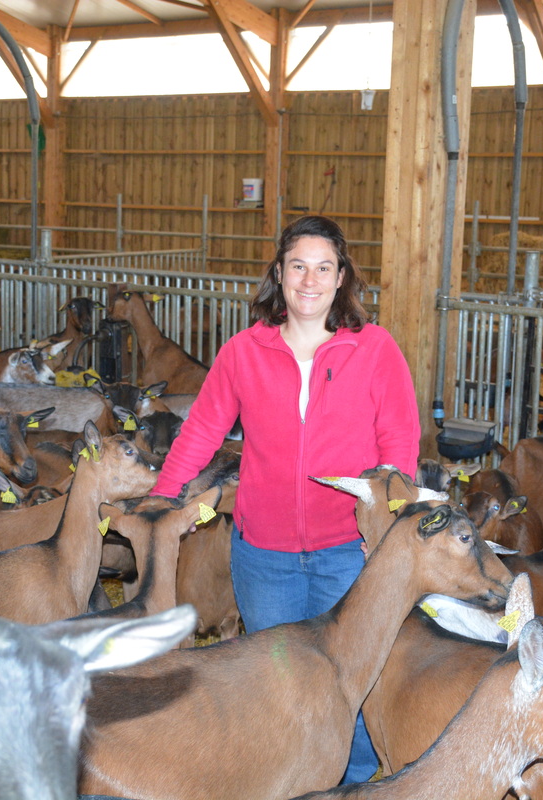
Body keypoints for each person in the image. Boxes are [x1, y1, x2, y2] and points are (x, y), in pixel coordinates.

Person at [149, 214, 420, 784]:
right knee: (278, 686)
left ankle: (349, 785)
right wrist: (163, 495)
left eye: (324, 268)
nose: (309, 280)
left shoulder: (373, 350)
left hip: (349, 551)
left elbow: (399, 439)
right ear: (279, 272)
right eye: (298, 266)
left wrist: (390, 519)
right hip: (265, 555)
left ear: (342, 277)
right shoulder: (245, 352)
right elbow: (201, 431)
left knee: (354, 685)